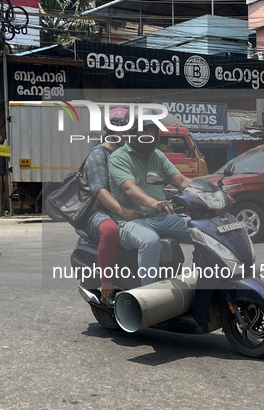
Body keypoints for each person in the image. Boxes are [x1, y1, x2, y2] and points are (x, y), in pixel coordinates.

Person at [108, 114, 192, 286]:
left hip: (161, 217)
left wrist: (212, 192)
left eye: (151, 130)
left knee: (202, 230)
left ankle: (211, 280)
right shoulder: (119, 157)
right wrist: (155, 203)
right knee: (150, 241)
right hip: (131, 221)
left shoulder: (157, 155)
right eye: (143, 130)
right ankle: (149, 294)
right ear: (132, 133)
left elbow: (181, 181)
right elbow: (129, 188)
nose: (148, 134)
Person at [82, 108, 144, 304]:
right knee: (109, 231)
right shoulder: (98, 155)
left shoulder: (129, 154)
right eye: (126, 130)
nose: (130, 134)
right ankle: (107, 286)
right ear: (112, 130)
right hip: (99, 211)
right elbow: (99, 190)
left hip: (125, 207)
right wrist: (123, 211)